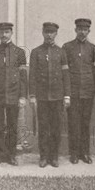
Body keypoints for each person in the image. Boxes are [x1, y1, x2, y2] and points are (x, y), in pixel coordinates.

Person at [0, 22, 28, 166]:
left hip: (14, 95)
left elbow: (23, 77)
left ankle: (11, 155)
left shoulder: (19, 53)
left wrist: (22, 96)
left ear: (11, 33)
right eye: (1, 32)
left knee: (12, 126)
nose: (4, 35)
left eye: (7, 32)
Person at [29, 22, 71, 168]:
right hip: (42, 97)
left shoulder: (61, 52)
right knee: (44, 127)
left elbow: (66, 76)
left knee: (56, 127)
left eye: (52, 32)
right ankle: (43, 156)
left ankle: (54, 157)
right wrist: (32, 95)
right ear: (42, 32)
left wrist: (67, 95)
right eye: (47, 32)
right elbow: (32, 75)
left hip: (57, 97)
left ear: (56, 34)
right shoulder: (36, 52)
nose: (49, 35)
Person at [62, 18, 95, 164]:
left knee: (85, 123)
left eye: (85, 29)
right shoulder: (67, 47)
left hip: (88, 92)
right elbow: (65, 73)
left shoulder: (93, 49)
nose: (82, 32)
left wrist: (94, 90)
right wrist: (67, 93)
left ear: (89, 31)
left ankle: (85, 153)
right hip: (73, 92)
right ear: (75, 30)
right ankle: (74, 153)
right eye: (80, 29)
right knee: (73, 123)